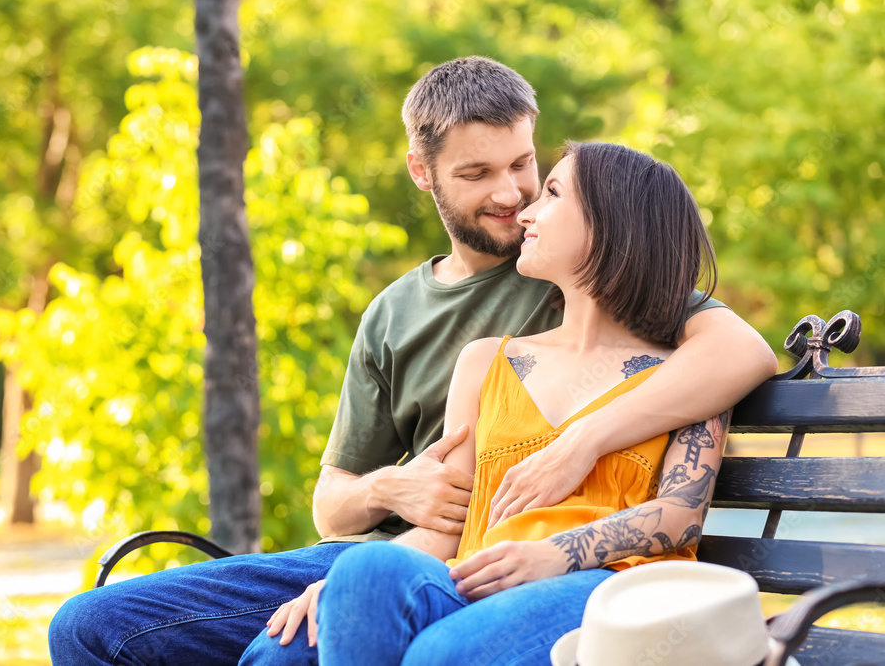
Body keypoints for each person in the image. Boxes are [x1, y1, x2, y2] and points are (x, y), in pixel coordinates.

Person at [48, 57, 776, 665]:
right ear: (423, 173)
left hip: (531, 575)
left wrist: (579, 451)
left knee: (315, 639)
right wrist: (388, 491)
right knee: (86, 628)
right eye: (478, 172)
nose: (514, 197)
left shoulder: (663, 330)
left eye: (530, 169)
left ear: (608, 233)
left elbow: (735, 368)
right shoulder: (444, 338)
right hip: (409, 562)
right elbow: (338, 506)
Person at [309, 140, 741, 665]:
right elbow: (452, 529)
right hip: (477, 574)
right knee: (360, 577)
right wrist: (337, 589)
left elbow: (680, 517)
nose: (527, 212)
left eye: (552, 192)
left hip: (608, 588)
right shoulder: (486, 362)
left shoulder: (687, 372)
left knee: (442, 654)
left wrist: (552, 554)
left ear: (611, 225)